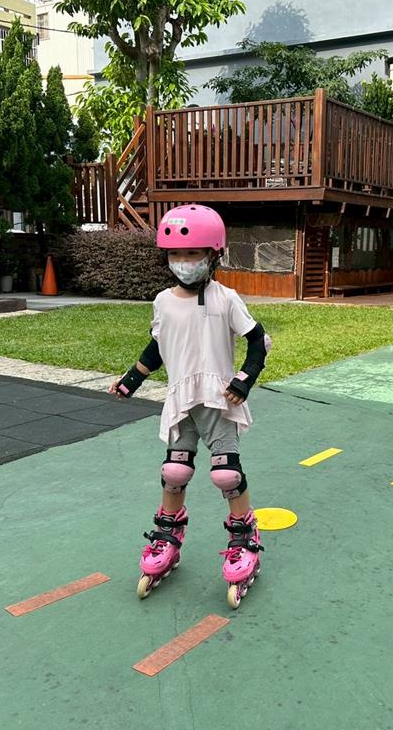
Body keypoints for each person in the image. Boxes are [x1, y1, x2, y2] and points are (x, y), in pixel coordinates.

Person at [110, 204, 271, 609]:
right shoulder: (163, 301)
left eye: (193, 253)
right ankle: (167, 535)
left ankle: (244, 537)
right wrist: (131, 379)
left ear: (213, 255)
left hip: (218, 401)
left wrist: (244, 380)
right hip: (181, 402)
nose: (183, 262)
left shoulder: (225, 298)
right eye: (176, 254)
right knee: (175, 471)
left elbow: (257, 340)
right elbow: (158, 347)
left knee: (226, 474)